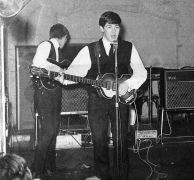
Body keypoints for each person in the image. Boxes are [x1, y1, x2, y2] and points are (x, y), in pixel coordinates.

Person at [60, 11, 147, 180]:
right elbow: (73, 73)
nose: (114, 31)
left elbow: (141, 73)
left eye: (116, 27)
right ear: (101, 28)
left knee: (121, 142)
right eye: (109, 27)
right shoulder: (90, 49)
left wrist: (127, 85)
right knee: (99, 142)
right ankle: (102, 176)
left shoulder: (128, 47)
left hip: (120, 101)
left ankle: (122, 176)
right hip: (97, 101)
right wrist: (61, 78)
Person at [31, 23, 70, 178]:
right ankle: (37, 170)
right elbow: (37, 66)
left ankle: (50, 168)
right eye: (66, 39)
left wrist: (65, 76)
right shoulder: (46, 45)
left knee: (53, 129)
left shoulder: (58, 52)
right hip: (45, 92)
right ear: (64, 37)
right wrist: (59, 70)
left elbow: (59, 75)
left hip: (54, 92)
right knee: (48, 131)